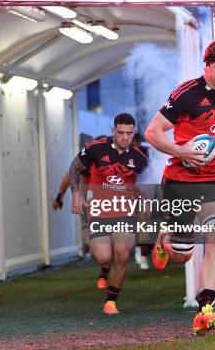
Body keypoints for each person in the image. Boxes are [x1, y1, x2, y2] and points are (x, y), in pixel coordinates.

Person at [145, 41, 215, 334]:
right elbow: (152, 133)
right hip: (181, 182)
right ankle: (166, 240)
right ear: (207, 65)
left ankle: (205, 311)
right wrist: (183, 152)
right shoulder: (186, 95)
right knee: (184, 255)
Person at [69, 113, 148, 315]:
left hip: (124, 212)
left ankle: (111, 300)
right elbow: (74, 167)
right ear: (113, 131)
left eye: (129, 133)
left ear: (134, 133)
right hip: (99, 211)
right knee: (104, 257)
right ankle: (104, 269)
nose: (124, 137)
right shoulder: (96, 148)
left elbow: (144, 187)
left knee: (122, 256)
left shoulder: (139, 158)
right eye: (120, 132)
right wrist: (76, 194)